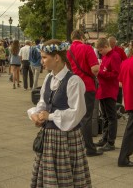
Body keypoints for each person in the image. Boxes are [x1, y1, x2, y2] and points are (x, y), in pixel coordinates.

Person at [28, 39, 91, 187]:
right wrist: (35, 115)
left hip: (66, 138)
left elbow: (77, 112)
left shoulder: (74, 81)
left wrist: (50, 116)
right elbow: (43, 103)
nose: (42, 61)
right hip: (49, 137)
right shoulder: (49, 78)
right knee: (48, 179)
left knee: (66, 178)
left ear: (56, 57)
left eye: (44, 57)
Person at [66, 29, 102, 157]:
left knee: (76, 116)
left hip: (73, 86)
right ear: (82, 37)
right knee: (86, 117)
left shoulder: (68, 50)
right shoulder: (87, 48)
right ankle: (90, 148)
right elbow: (95, 69)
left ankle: (75, 145)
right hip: (87, 86)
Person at [95, 38, 121, 152]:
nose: (100, 53)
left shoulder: (114, 56)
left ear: (106, 46)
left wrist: (100, 73)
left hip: (109, 90)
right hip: (103, 89)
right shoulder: (105, 56)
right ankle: (105, 138)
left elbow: (116, 74)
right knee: (105, 116)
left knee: (111, 117)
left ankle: (111, 142)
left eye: (101, 50)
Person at [118, 55, 133, 167]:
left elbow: (120, 82)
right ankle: (123, 158)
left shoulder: (125, 63)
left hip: (129, 99)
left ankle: (124, 157)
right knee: (130, 130)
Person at [108, 36, 127, 104]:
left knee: (118, 90)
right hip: (109, 74)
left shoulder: (119, 50)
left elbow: (125, 60)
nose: (109, 44)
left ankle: (118, 106)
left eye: (111, 43)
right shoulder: (107, 50)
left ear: (114, 43)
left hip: (118, 74)